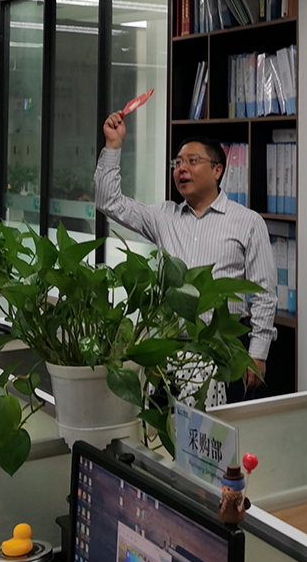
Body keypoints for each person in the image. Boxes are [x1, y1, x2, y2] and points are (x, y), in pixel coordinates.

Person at [95, 114, 277, 403]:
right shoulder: (163, 216)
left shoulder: (248, 222)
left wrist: (258, 353)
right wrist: (113, 145)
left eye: (192, 161)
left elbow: (264, 293)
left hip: (225, 350)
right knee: (167, 427)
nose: (182, 169)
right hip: (170, 350)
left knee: (217, 430)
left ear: (217, 170)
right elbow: (109, 201)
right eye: (178, 163)